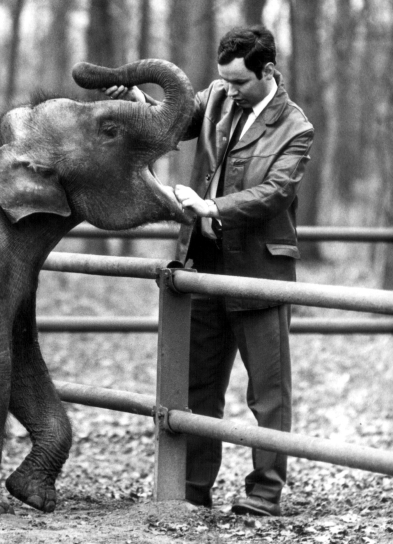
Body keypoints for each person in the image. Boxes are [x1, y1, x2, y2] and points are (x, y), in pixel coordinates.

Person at [105, 25, 314, 516]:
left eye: (239, 82)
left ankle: (263, 494)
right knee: (197, 386)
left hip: (258, 271)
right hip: (202, 262)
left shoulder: (296, 128)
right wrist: (136, 98)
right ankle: (193, 491)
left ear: (268, 72)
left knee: (267, 393)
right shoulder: (218, 96)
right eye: (224, 80)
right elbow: (173, 122)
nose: (229, 89)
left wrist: (211, 206)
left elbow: (275, 192)